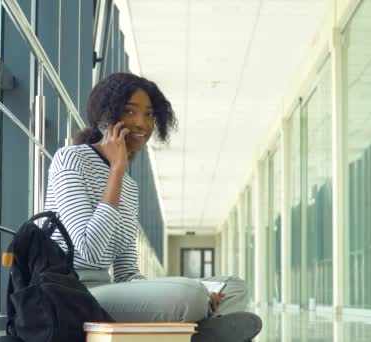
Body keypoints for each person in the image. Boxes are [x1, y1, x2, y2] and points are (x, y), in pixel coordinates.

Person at [44, 72, 261, 341]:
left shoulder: (131, 188)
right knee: (191, 295)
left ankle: (196, 333)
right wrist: (116, 170)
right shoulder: (70, 160)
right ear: (106, 115)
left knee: (233, 287)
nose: (141, 123)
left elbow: (125, 271)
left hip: (108, 291)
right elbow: (89, 253)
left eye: (149, 114)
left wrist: (161, 293)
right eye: (130, 111)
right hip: (73, 293)